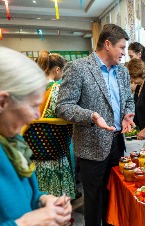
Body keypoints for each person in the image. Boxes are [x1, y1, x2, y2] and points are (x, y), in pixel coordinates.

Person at [55, 24, 135, 226]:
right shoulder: (78, 68)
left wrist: (127, 114)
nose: (125, 53)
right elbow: (63, 107)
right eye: (122, 47)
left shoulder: (123, 72)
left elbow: (128, 100)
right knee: (93, 201)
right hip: (91, 147)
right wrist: (91, 115)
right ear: (107, 44)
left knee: (114, 196)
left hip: (117, 144)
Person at [0, 46, 72, 225]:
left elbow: (26, 193)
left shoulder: (12, 141)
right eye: (33, 106)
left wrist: (44, 200)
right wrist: (26, 222)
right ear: (3, 102)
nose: (37, 116)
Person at [22, 51, 76, 200]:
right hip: (54, 149)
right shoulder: (57, 90)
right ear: (57, 69)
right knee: (55, 192)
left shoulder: (29, 89)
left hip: (32, 147)